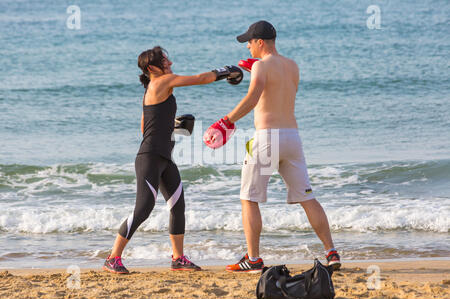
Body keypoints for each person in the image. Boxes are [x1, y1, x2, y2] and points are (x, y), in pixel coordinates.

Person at [204, 21, 341, 273]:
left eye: (249, 41)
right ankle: (331, 252)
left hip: (267, 138)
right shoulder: (292, 65)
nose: (247, 46)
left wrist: (225, 122)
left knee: (249, 198)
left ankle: (254, 259)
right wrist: (257, 68)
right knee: (308, 197)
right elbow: (280, 92)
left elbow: (253, 98)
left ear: (260, 42)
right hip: (292, 138)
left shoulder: (261, 67)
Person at [103, 46, 243, 274]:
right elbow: (200, 79)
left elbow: (144, 126)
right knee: (143, 208)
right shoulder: (161, 83)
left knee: (178, 207)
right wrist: (226, 71)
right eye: (165, 61)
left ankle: (178, 258)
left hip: (164, 157)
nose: (170, 63)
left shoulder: (153, 88)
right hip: (149, 158)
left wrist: (173, 127)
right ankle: (112, 257)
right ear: (152, 67)